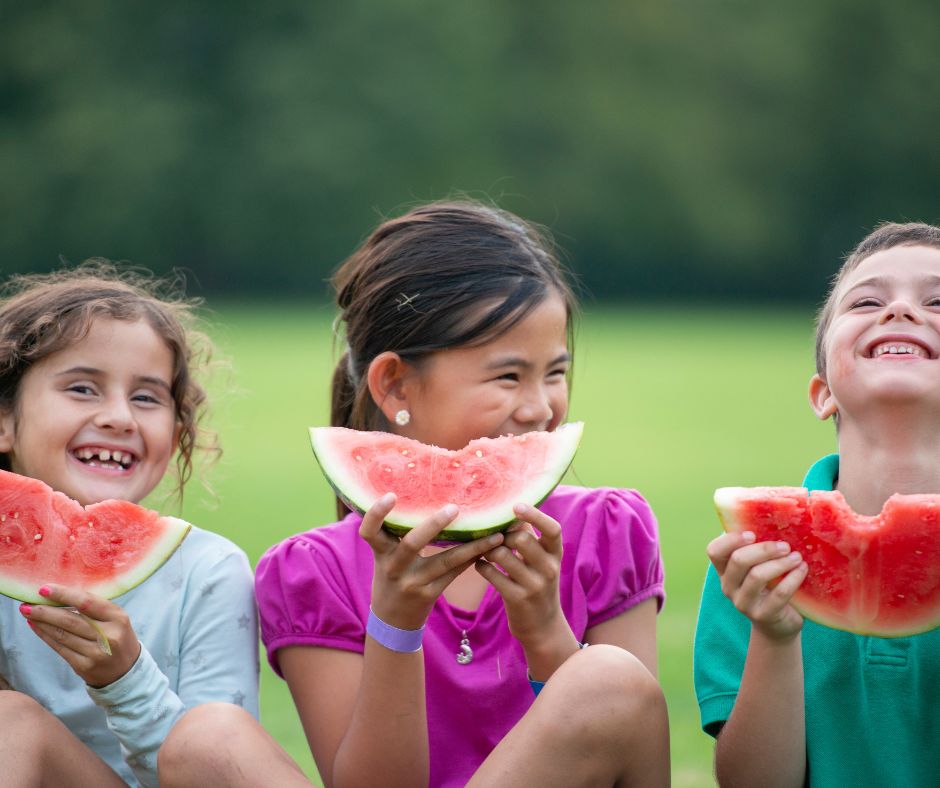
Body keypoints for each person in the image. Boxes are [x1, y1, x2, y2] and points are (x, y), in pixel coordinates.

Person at [158, 200, 669, 788]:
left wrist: (546, 634)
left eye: (554, 372)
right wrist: (394, 627)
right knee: (206, 739)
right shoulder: (313, 574)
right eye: (508, 376)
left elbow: (630, 754)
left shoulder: (608, 531)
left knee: (607, 676)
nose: (540, 407)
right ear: (395, 384)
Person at [694, 222, 940, 786]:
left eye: (937, 301)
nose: (900, 311)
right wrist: (775, 636)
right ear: (823, 391)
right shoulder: (758, 560)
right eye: (869, 300)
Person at [0, 262, 258, 787]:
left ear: (178, 431)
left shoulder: (208, 571)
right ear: (4, 420)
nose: (120, 416)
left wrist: (124, 680)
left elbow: (215, 766)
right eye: (82, 388)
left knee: (213, 730)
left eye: (146, 397)